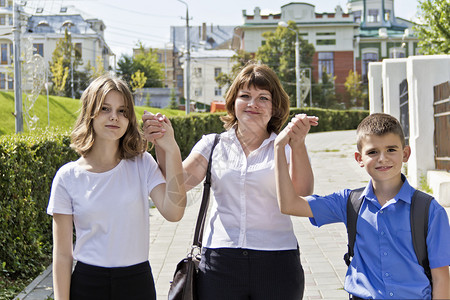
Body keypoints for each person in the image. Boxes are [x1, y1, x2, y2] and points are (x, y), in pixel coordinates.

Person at [143, 62, 318, 299]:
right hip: (220, 262)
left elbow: (303, 195)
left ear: (275, 107)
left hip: (277, 261)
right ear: (233, 103)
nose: (253, 104)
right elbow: (177, 185)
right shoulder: (213, 145)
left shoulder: (285, 146)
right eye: (245, 95)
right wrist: (166, 145)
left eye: (263, 98)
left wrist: (298, 145)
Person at [274, 113, 450, 299]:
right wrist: (279, 148)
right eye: (373, 152)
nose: (382, 158)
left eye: (391, 149)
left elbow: (441, 277)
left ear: (405, 153)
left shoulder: (429, 210)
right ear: (359, 158)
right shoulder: (349, 202)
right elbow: (289, 205)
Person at [47, 74, 186, 300]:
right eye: (105, 109)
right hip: (87, 284)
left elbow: (174, 212)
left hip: (136, 282)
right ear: (89, 113)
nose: (114, 117)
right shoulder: (67, 177)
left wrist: (171, 149)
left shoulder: (142, 164)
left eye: (122, 111)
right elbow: (62, 255)